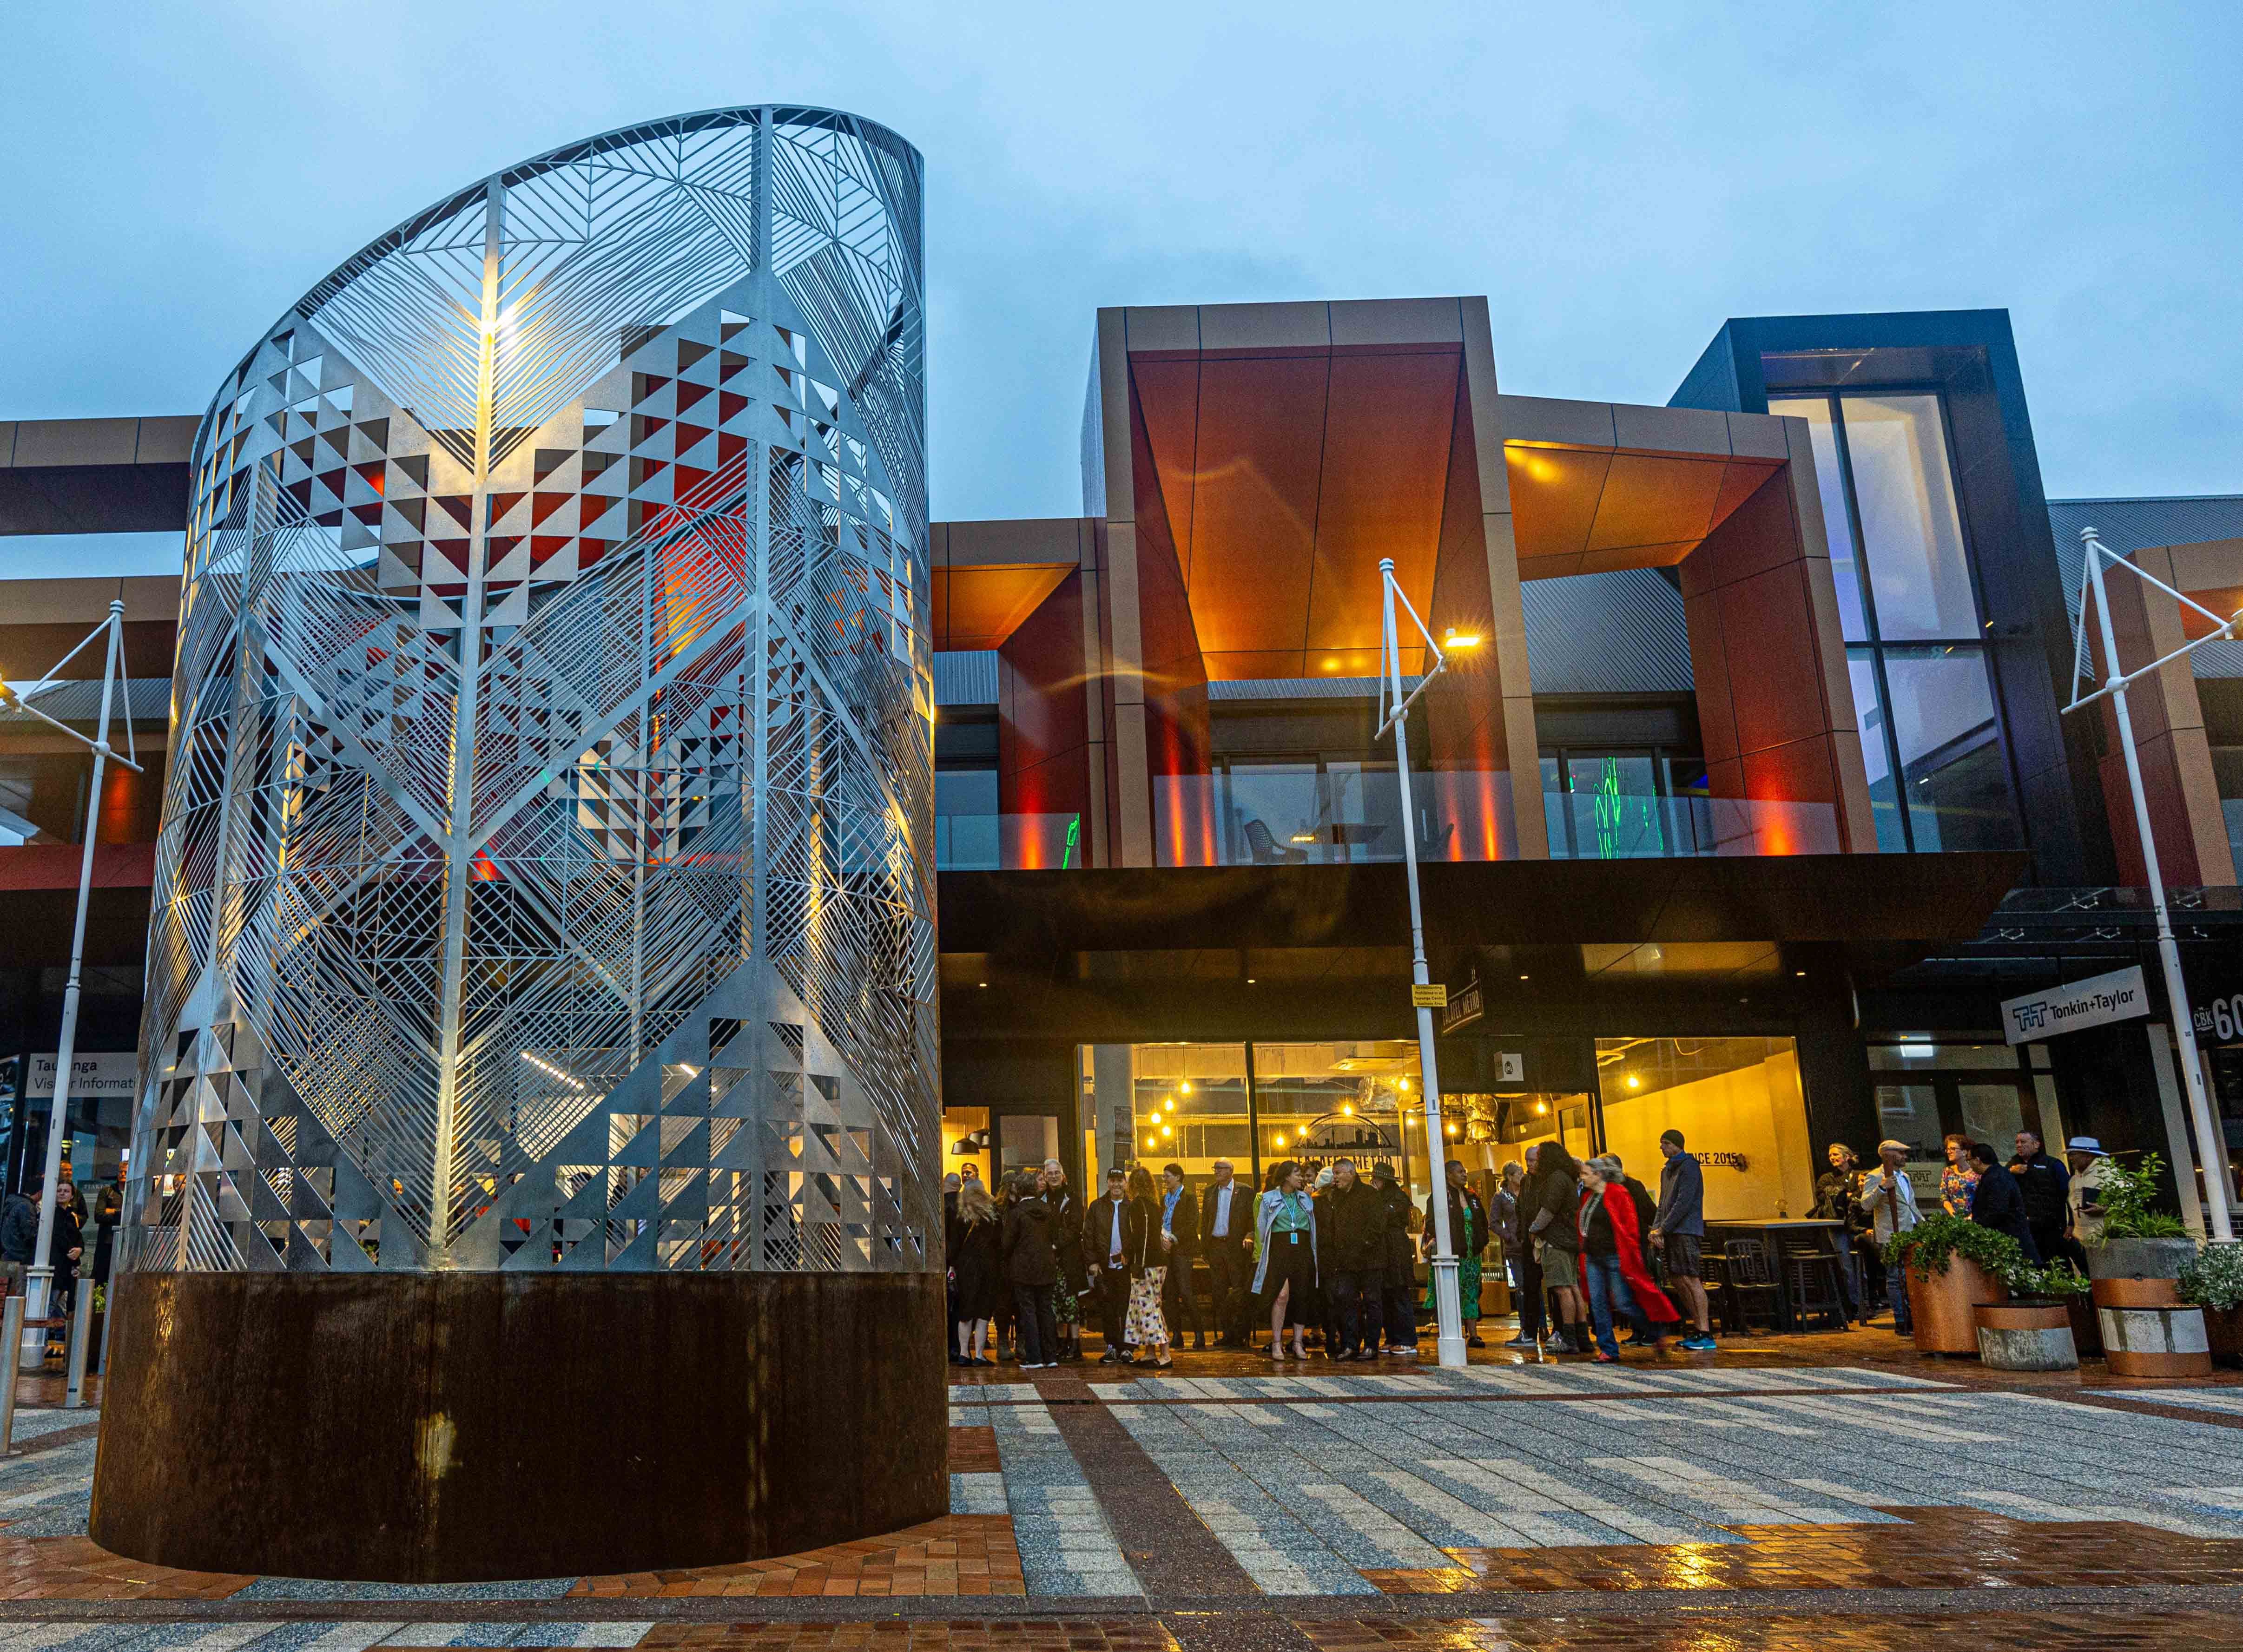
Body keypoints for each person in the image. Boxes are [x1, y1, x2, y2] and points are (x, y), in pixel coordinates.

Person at [1575, 1154, 1678, 1361]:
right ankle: (1608, 1349)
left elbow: (1630, 1225)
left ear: (1598, 1174)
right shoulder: (1588, 1197)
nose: (1582, 1178)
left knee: (1623, 1302)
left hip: (1614, 1256)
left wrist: (1631, 1253)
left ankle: (1655, 1331)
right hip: (1593, 1257)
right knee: (1598, 1303)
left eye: (1586, 1174)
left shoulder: (1618, 1193)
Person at [1649, 1131, 1716, 1351]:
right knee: (1678, 1279)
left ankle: (1705, 1332)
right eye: (1661, 1143)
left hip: (1686, 1231)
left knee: (1691, 1278)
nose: (1662, 1147)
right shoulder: (1667, 1171)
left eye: (1666, 1143)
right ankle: (1697, 1329)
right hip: (1670, 1232)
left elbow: (1683, 1203)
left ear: (1677, 1145)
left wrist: (1663, 1229)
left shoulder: (1690, 1168)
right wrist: (1656, 1230)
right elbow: (1662, 1203)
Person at [1318, 1158, 1386, 1361]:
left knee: (1372, 1302)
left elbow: (1377, 1225)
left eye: (1338, 1173)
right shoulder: (1337, 1197)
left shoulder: (1369, 1194)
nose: (1335, 1177)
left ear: (1351, 1173)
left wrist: (1363, 1244)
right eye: (1334, 1173)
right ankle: (1350, 1345)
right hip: (1346, 1260)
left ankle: (1371, 1345)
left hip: (1369, 1259)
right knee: (1346, 1302)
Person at [1423, 1157, 1491, 1348]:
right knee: (1451, 1292)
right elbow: (1431, 1223)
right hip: (1452, 1255)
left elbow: (1482, 1221)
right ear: (1449, 1175)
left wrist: (1482, 1241)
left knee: (1471, 1292)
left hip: (1472, 1255)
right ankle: (1454, 1333)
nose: (1464, 1175)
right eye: (1460, 1172)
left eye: (1464, 1171)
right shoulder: (1440, 1197)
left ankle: (1474, 1335)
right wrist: (1448, 1243)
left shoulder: (1472, 1197)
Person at [1252, 1160, 1317, 1360]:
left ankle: (1298, 1343)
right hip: (1280, 1248)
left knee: (1301, 1294)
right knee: (1281, 1295)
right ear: (1287, 1176)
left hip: (1302, 1248)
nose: (1301, 1178)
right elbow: (1261, 1227)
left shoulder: (1305, 1198)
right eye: (1297, 1174)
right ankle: (1277, 1342)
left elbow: (1312, 1223)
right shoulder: (1269, 1198)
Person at [1856, 1139, 1920, 1336]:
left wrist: (1922, 1223)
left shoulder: (1905, 1176)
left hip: (1911, 1230)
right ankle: (1901, 1320)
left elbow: (1910, 1204)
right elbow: (1866, 1204)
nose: (1904, 1156)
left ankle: (1913, 1316)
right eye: (1901, 1153)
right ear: (1889, 1155)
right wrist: (1882, 1188)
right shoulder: (1876, 1176)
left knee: (1910, 1276)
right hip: (1890, 1233)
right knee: (1895, 1276)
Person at [1527, 1142, 1586, 1353]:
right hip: (1568, 1239)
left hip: (1556, 1241)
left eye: (1539, 1157)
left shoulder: (1555, 1179)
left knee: (1562, 1289)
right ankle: (1582, 1336)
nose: (1536, 1162)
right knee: (1572, 1286)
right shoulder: (1565, 1178)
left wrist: (1533, 1229)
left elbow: (1548, 1211)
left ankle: (1569, 1338)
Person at [1000, 1169, 1061, 1368]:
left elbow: (1007, 1244)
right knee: (1046, 1310)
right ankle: (1050, 1356)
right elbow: (1054, 1237)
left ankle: (1034, 1357)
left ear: (1019, 1190)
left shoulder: (1017, 1213)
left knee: (1028, 1312)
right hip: (1047, 1266)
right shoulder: (1048, 1210)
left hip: (1024, 1269)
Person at [947, 1177, 1003, 1364]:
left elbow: (954, 1245)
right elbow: (1000, 1243)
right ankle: (979, 1355)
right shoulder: (993, 1215)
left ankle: (964, 1354)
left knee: (965, 1311)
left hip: (966, 1267)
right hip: (989, 1266)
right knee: (983, 1312)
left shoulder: (960, 1215)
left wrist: (952, 1266)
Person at [1122, 1164, 1173, 1368]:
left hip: (1145, 1264)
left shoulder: (1136, 1206)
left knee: (1148, 1307)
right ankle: (1150, 1352)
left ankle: (1165, 1354)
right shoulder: (1154, 1205)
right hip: (1158, 1263)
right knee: (1149, 1306)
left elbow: (1138, 1237)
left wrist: (1130, 1256)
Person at [1199, 1158, 1253, 1347]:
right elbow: (1205, 1220)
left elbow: (1251, 1218)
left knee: (1239, 1291)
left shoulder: (1245, 1191)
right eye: (1215, 1168)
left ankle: (1241, 1334)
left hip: (1236, 1248)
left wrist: (1250, 1235)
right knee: (1219, 1292)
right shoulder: (1210, 1192)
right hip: (1216, 1246)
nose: (1217, 1172)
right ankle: (1227, 1334)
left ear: (1231, 1171)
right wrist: (1204, 1248)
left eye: (1220, 1168)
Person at [2011, 1129, 2081, 1271]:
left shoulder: (2052, 1164)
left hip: (2054, 1226)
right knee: (2036, 1267)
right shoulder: (2012, 1166)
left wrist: (2072, 1224)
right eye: (2017, 1142)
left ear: (2036, 1144)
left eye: (2023, 1142)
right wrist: (2011, 1172)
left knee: (2059, 1264)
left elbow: (2070, 1195)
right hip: (2028, 1228)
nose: (2019, 1145)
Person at [1369, 1164, 1419, 1356]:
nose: (1374, 1182)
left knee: (1399, 1293)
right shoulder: (1381, 1197)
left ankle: (1407, 1340)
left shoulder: (1398, 1198)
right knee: (1386, 1295)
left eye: (1377, 1179)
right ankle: (1392, 1337)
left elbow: (1383, 1216)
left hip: (1396, 1249)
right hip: (1383, 1249)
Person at [1813, 1144, 1865, 1323]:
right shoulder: (1826, 1178)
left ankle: (1867, 1301)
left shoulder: (1858, 1176)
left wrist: (1843, 1194)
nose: (1832, 1158)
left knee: (1863, 1265)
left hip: (1858, 1224)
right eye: (1830, 1156)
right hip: (1837, 1226)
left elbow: (1862, 1196)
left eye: (1836, 1155)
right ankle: (1854, 1304)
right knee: (1846, 1266)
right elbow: (1822, 1196)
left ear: (1847, 1156)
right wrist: (1846, 1194)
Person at [1087, 1169, 1134, 1362]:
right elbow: (1089, 1235)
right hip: (1104, 1267)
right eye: (1112, 1181)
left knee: (1127, 1308)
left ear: (1125, 1183)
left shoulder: (1132, 1206)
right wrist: (1092, 1262)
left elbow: (1137, 1235)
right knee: (1108, 1309)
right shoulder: (1097, 1206)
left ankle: (1128, 1348)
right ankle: (1112, 1347)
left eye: (1120, 1181)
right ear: (1107, 1183)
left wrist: (1131, 1256)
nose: (1116, 1185)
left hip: (1127, 1267)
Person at [1042, 1159, 1087, 1362]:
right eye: (1050, 1173)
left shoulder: (1073, 1199)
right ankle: (1061, 1344)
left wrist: (1056, 1245)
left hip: (1070, 1258)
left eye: (1056, 1173)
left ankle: (1075, 1345)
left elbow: (1075, 1228)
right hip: (1051, 1261)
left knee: (1071, 1303)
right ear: (1045, 1177)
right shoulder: (1042, 1199)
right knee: (1056, 1304)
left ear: (1063, 1176)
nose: (1053, 1176)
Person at [1157, 1163, 1206, 1349]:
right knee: (1170, 1293)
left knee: (1186, 1291)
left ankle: (1199, 1333)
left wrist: (1174, 1238)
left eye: (1168, 1176)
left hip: (1182, 1249)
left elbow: (1193, 1222)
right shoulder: (1164, 1199)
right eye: (1164, 1176)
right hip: (1166, 1250)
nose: (1165, 1180)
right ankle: (1177, 1334)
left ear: (1178, 1177)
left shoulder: (1189, 1197)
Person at [1966, 1142, 2040, 1262]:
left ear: (1977, 1160)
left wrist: (1975, 1224)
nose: (1969, 1164)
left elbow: (1998, 1210)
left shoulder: (1996, 1177)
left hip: (2012, 1240)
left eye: (1969, 1160)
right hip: (2010, 1239)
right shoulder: (1995, 1174)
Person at [1501, 1158, 1544, 1349]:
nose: (1522, 1175)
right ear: (1510, 1177)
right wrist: (1511, 1236)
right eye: (1518, 1173)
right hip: (1516, 1247)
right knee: (1523, 1287)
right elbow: (1494, 1221)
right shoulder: (1502, 1197)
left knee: (1536, 1287)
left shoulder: (1530, 1188)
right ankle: (1526, 1328)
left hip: (1533, 1243)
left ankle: (1542, 1326)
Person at [2066, 1138, 2112, 1248]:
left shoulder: (2107, 1174)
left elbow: (2129, 1200)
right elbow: (2073, 1204)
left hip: (2104, 1241)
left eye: (2074, 1154)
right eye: (2070, 1155)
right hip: (2081, 1240)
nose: (2070, 1158)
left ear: (2089, 1156)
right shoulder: (2074, 1180)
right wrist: (2071, 1225)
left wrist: (2105, 1209)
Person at [0, 1178, 39, 1297]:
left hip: (9, 1256)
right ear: (40, 1192)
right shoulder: (26, 1206)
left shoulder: (14, 1203)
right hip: (20, 1258)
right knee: (16, 1298)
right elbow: (30, 1234)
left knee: (5, 1296)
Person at [92, 1163, 124, 1288]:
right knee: (102, 1272)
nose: (123, 1174)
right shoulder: (107, 1191)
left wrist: (112, 1211)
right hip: (107, 1239)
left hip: (127, 1240)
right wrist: (118, 1213)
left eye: (126, 1172)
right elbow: (99, 1215)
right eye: (121, 1172)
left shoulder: (135, 1192)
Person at [1940, 1134, 1978, 1216]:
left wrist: (1971, 1217)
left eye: (1953, 1149)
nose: (1949, 1152)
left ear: (1965, 1152)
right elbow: (1944, 1196)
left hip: (1977, 1218)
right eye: (1947, 1149)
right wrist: (1954, 1215)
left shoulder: (1977, 1172)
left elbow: (1985, 1198)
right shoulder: (1948, 1172)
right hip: (1956, 1220)